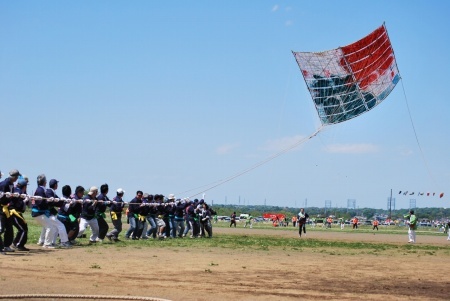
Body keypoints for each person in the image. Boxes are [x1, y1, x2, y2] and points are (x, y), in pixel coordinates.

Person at [0, 169, 21, 253]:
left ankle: (6, 245)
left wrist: (16, 196)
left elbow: (9, 197)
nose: (17, 179)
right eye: (16, 177)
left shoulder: (11, 184)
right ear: (14, 177)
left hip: (6, 208)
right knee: (1, 229)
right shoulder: (4, 184)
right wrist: (4, 196)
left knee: (9, 227)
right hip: (1, 208)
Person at [10, 178, 30, 251]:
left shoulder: (16, 190)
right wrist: (25, 200)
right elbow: (19, 205)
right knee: (23, 229)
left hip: (15, 212)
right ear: (24, 186)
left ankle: (16, 243)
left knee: (23, 228)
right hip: (14, 212)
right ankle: (18, 245)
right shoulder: (19, 192)